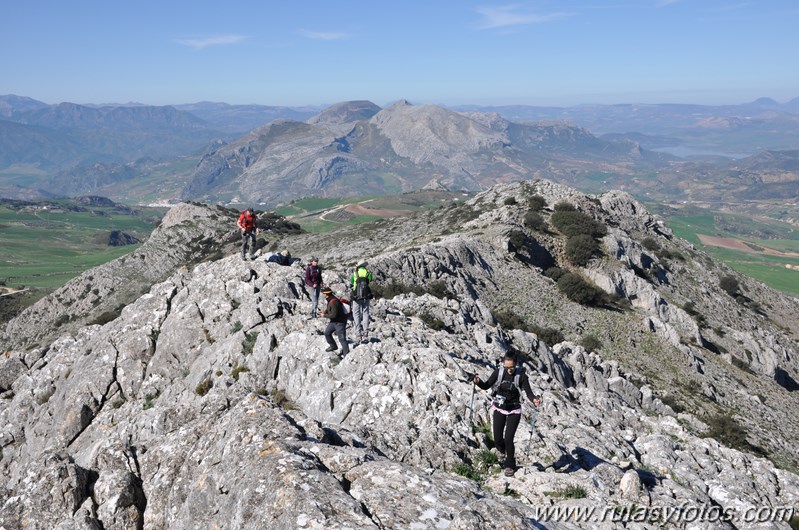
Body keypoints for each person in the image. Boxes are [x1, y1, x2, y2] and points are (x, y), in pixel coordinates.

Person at [473, 351, 541, 476]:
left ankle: (510, 464)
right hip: (499, 408)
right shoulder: (498, 373)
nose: (509, 370)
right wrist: (478, 382)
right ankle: (503, 451)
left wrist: (534, 400)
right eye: (506, 367)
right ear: (503, 364)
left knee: (508, 438)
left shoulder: (521, 376)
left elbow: (529, 393)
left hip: (514, 410)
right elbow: (486, 386)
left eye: (512, 367)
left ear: (516, 364)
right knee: (498, 439)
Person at [320, 288, 349, 357]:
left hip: (340, 323)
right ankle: (333, 346)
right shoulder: (331, 300)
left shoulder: (334, 302)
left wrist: (324, 315)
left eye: (324, 294)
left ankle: (346, 354)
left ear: (327, 294)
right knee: (327, 333)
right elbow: (330, 310)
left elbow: (334, 315)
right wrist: (325, 312)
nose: (323, 295)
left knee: (342, 339)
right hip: (333, 322)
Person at [349, 260, 373, 343]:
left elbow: (351, 281)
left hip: (356, 296)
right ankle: (366, 333)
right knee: (366, 313)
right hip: (366, 295)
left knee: (356, 313)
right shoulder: (368, 273)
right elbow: (370, 280)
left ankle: (358, 333)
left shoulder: (355, 273)